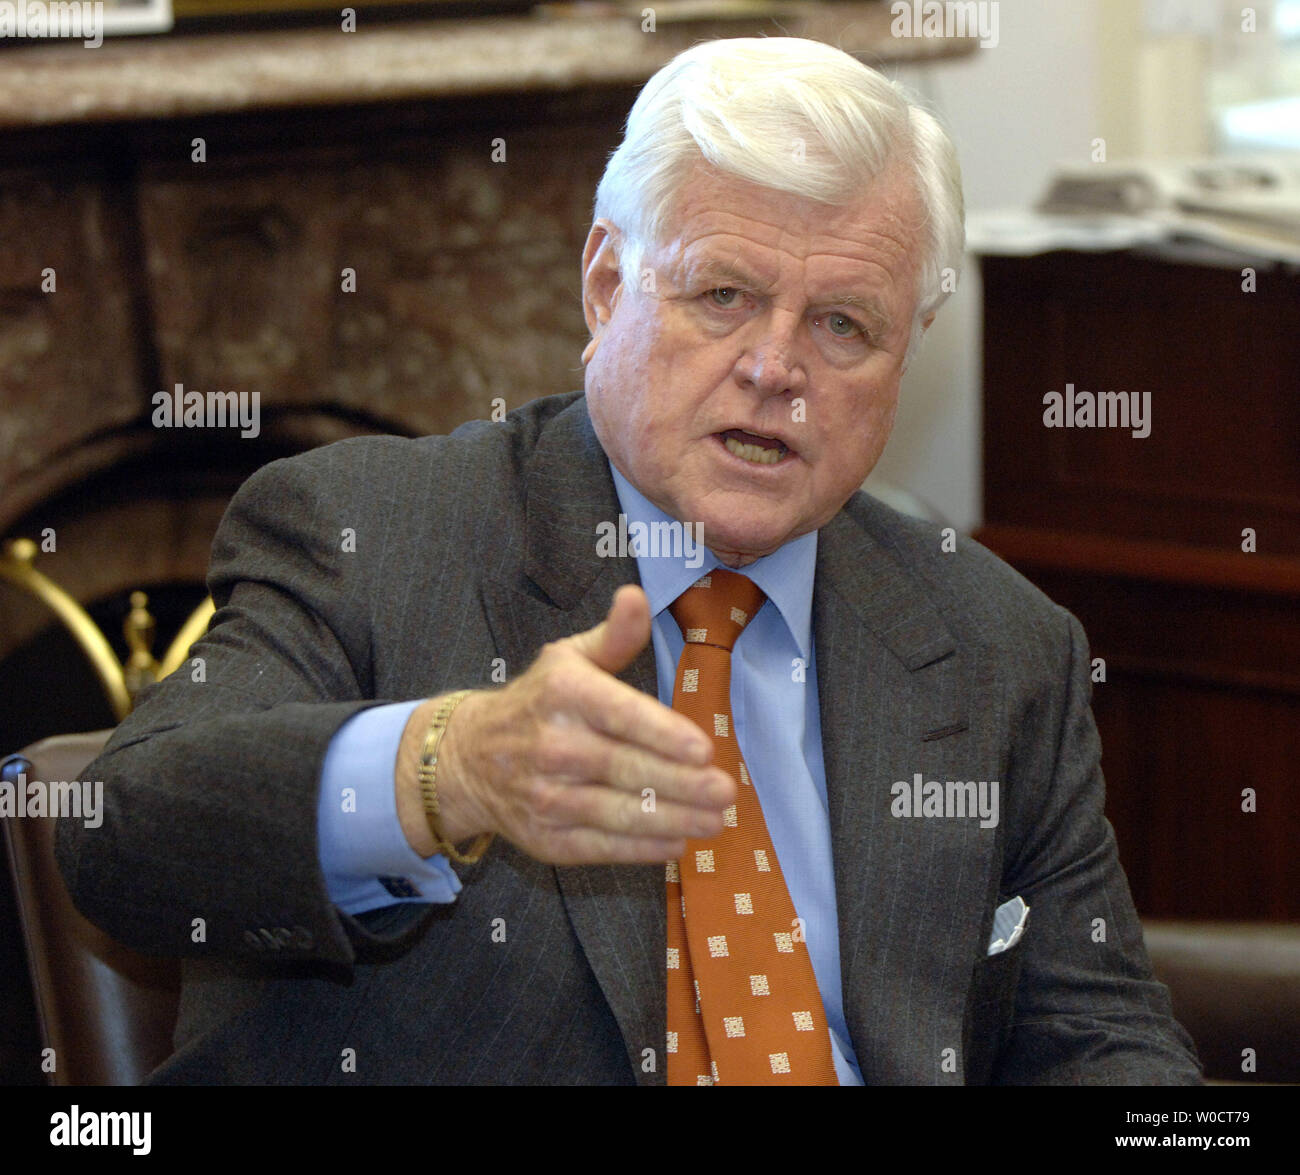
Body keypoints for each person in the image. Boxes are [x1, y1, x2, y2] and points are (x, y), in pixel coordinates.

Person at [58, 36, 1200, 1085]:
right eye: (724, 295)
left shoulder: (1000, 643)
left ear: (909, 352)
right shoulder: (370, 531)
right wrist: (444, 768)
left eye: (843, 324)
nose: (775, 366)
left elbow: (1100, 1034)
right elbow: (123, 833)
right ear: (607, 285)